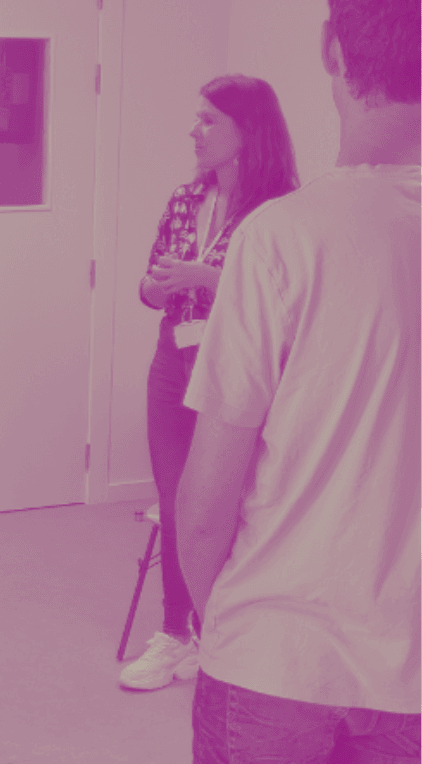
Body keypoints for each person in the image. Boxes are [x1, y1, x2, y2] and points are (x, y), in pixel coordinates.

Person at [177, 0, 420, 764]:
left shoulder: (279, 240)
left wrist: (228, 630)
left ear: (330, 47)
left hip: (273, 656)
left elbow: (206, 504)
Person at [121, 75, 299, 692]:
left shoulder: (279, 211)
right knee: (176, 502)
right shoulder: (184, 198)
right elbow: (148, 284)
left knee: (226, 504)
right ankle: (175, 633)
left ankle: (218, 632)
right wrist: (158, 286)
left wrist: (203, 276)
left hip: (235, 367)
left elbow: (278, 298)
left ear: (247, 131)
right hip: (173, 359)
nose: (193, 132)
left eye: (208, 121)